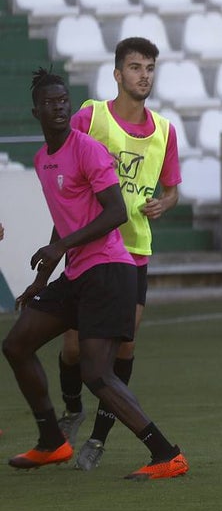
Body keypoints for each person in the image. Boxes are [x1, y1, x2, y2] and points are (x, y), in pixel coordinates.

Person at [3, 68, 187, 480]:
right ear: (36, 112)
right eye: (51, 102)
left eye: (65, 100)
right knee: (16, 344)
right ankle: (52, 440)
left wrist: (61, 248)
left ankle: (167, 454)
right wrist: (41, 280)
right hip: (78, 273)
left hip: (109, 270)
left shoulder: (87, 149)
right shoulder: (42, 159)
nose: (60, 107)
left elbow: (116, 213)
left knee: (96, 374)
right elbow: (62, 223)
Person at [54, 37, 182, 472]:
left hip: (133, 255)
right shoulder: (90, 117)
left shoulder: (165, 130)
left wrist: (165, 203)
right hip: (88, 250)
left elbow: (171, 189)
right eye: (135, 67)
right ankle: (72, 409)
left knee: (122, 351)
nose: (143, 74)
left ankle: (98, 440)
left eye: (149, 67)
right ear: (116, 74)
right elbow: (63, 163)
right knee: (73, 350)